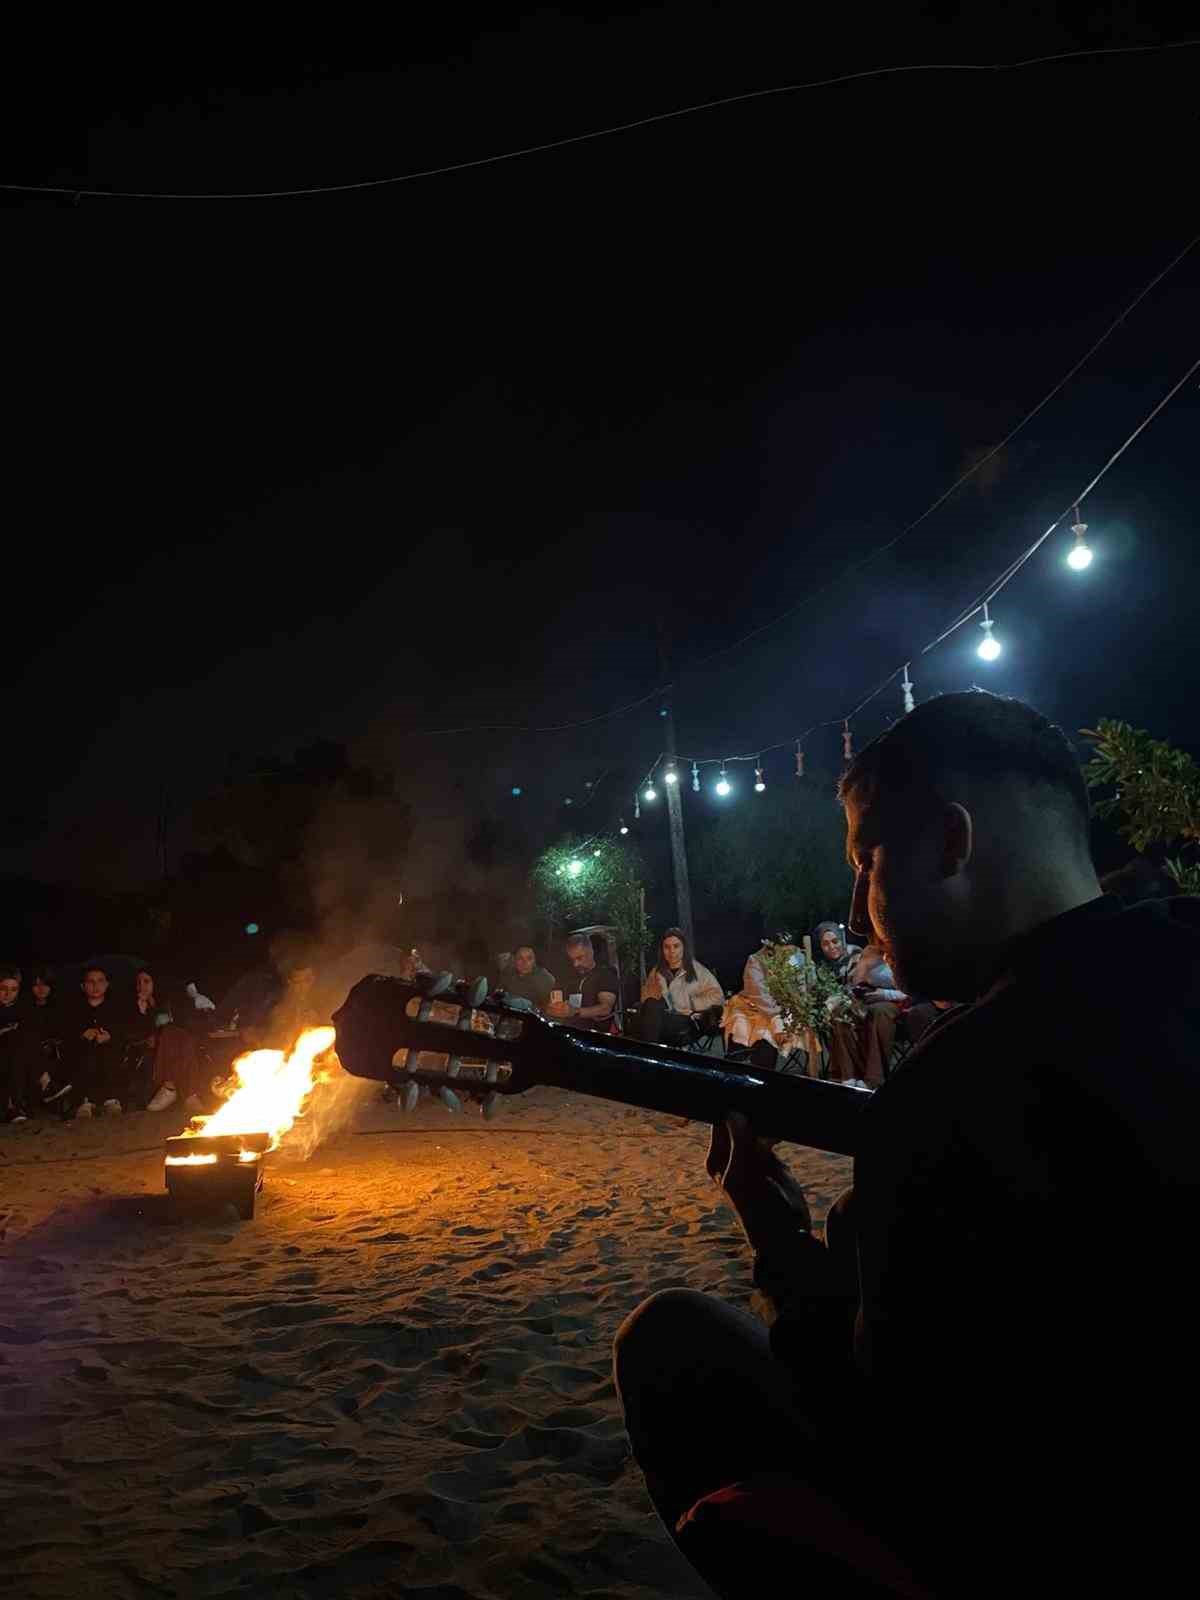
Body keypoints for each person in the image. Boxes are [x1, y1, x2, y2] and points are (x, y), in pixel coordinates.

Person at [612, 690, 1200, 1597]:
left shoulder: (949, 1091)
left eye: (867, 860)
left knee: (671, 1341)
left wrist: (779, 1245)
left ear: (952, 844)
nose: (856, 913)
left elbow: (879, 1433)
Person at [825, 940, 907, 1089]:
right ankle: (848, 1076)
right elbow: (854, 983)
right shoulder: (870, 950)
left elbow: (912, 992)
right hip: (868, 997)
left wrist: (886, 994)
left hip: (894, 1001)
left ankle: (874, 1079)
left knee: (879, 1011)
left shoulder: (902, 950)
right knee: (840, 1013)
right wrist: (864, 965)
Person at [721, 934, 810, 1071]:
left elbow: (802, 984)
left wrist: (798, 1003)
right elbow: (759, 995)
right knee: (756, 1030)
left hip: (786, 1007)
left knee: (772, 1031)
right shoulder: (755, 961)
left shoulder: (795, 957)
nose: (788, 952)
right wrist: (778, 1014)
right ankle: (742, 1064)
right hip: (755, 1006)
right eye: (783, 949)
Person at [638, 928, 724, 1047]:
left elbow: (718, 996)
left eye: (676, 946)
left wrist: (692, 1004)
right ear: (662, 950)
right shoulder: (656, 972)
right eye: (666, 947)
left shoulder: (697, 970)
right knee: (651, 1006)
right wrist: (654, 997)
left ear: (684, 948)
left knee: (650, 1021)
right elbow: (645, 999)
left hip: (686, 1021)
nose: (671, 951)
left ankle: (648, 1053)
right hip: (661, 1018)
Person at [67, 965, 129, 1117]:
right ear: (83, 986)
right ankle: (85, 1101)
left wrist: (110, 1036)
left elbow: (124, 1031)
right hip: (82, 1054)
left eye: (100, 981)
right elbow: (65, 1032)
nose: (96, 986)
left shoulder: (116, 1007)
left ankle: (111, 1099)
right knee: (86, 1053)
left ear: (107, 984)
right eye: (91, 982)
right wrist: (82, 1034)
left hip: (111, 1054)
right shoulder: (74, 1009)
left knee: (108, 1052)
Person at [546, 934, 619, 1032]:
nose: (575, 964)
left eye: (580, 958)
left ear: (591, 952)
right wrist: (554, 1009)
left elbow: (605, 1008)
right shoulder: (567, 976)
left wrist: (575, 1012)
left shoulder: (605, 974)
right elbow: (552, 1002)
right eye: (572, 960)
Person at [500, 945, 560, 1010]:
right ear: (514, 960)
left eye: (529, 958)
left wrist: (532, 1007)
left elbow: (554, 1008)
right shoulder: (508, 973)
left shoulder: (546, 979)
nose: (524, 963)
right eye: (520, 958)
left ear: (534, 961)